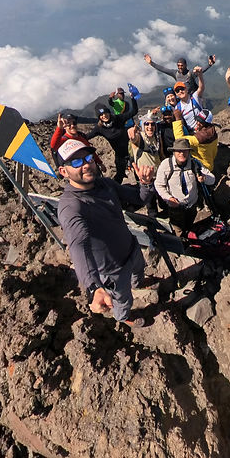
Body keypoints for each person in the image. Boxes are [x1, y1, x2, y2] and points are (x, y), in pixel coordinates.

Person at [55, 139, 156, 327]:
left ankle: (138, 284)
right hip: (112, 270)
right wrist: (94, 287)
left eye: (88, 158)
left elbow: (138, 198)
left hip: (131, 248)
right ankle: (124, 318)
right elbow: (78, 246)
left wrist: (145, 183)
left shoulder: (105, 184)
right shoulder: (72, 206)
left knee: (138, 271)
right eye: (76, 162)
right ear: (63, 171)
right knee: (122, 300)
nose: (86, 164)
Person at [155, 139, 216, 235]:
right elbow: (159, 185)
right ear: (174, 152)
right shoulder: (166, 165)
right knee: (178, 231)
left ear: (189, 152)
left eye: (184, 151)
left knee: (189, 228)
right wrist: (169, 198)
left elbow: (212, 179)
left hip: (192, 206)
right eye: (179, 151)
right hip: (175, 208)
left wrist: (204, 178)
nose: (182, 154)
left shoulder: (195, 163)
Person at [85, 96, 139, 183]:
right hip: (120, 156)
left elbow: (134, 111)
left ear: (109, 112)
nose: (104, 116)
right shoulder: (99, 128)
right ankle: (115, 189)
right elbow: (87, 136)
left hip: (132, 151)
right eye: (101, 115)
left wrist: (133, 98)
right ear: (99, 117)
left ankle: (141, 187)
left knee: (138, 172)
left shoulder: (118, 119)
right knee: (119, 175)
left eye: (105, 113)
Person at [172, 107, 219, 172]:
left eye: (201, 122)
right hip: (209, 163)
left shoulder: (200, 138)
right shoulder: (213, 132)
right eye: (198, 120)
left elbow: (179, 140)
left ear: (207, 123)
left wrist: (178, 119)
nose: (198, 123)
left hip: (201, 167)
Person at [144, 53, 216, 95]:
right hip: (182, 98)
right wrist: (151, 63)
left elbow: (201, 71)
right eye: (178, 65)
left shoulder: (190, 73)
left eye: (182, 65)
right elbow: (163, 69)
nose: (180, 67)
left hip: (192, 97)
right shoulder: (175, 73)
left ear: (185, 65)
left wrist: (209, 64)